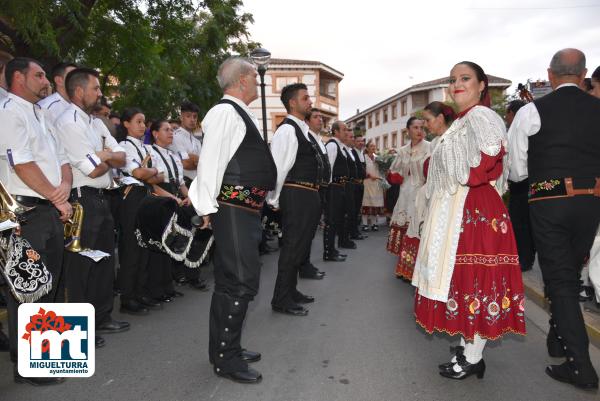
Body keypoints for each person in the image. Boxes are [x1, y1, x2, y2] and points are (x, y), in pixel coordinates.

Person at [412, 61, 526, 380]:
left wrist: (458, 181)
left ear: (481, 86)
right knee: (462, 279)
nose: (457, 84)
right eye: (453, 80)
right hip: (461, 206)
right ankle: (468, 347)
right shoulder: (461, 122)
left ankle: (474, 355)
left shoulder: (481, 116)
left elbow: (486, 161)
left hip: (474, 207)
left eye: (465, 78)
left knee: (473, 279)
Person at [508, 49, 600, 389]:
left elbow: (517, 170)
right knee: (570, 273)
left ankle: (581, 367)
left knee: (560, 280)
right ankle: (557, 340)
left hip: (549, 200)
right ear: (584, 74)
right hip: (592, 201)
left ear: (550, 75)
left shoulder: (532, 110)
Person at [188, 57, 276, 383]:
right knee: (239, 280)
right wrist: (205, 207)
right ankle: (226, 357)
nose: (258, 82)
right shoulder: (226, 112)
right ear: (240, 81)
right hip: (233, 209)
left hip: (243, 209)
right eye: (255, 76)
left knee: (230, 280)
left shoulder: (237, 113)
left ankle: (226, 348)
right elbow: (210, 163)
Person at [0, 57, 73, 386]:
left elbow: (63, 161)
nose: (46, 81)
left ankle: (49, 357)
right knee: (29, 290)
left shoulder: (41, 114)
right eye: (39, 75)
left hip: (49, 208)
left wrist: (64, 191)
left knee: (52, 286)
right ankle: (27, 366)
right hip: (25, 213)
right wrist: (56, 196)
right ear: (19, 77)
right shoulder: (10, 112)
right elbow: (21, 164)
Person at [54, 68, 130, 347]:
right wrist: (107, 158)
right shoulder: (68, 122)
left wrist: (105, 155)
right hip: (82, 199)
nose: (100, 93)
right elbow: (94, 170)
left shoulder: (97, 123)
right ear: (79, 92)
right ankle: (78, 330)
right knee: (81, 265)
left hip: (102, 199)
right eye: (96, 88)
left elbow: (122, 157)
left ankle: (102, 317)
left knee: (104, 260)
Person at [268, 83, 322, 317]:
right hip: (296, 194)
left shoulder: (302, 129)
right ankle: (281, 298)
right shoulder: (287, 130)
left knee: (301, 247)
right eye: (305, 98)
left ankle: (291, 291)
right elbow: (278, 168)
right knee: (292, 247)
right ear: (292, 103)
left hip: (308, 194)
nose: (310, 101)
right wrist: (275, 199)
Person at [395, 102, 455, 281]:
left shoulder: (442, 142)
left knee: (427, 235)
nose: (424, 127)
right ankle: (415, 272)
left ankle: (433, 278)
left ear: (441, 118)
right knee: (416, 231)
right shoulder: (436, 141)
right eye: (417, 126)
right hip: (417, 193)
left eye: (426, 122)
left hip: (436, 195)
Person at [116, 108, 164, 315]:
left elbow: (160, 176)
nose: (143, 126)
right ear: (126, 124)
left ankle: (140, 292)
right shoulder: (123, 146)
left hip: (145, 194)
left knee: (145, 245)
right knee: (131, 248)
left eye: (144, 122)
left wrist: (149, 173)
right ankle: (127, 297)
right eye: (138, 122)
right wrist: (149, 173)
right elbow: (138, 172)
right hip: (131, 197)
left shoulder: (146, 148)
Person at [387, 118, 430, 258]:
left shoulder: (429, 147)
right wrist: (395, 175)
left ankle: (418, 263)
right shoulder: (402, 151)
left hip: (423, 194)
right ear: (408, 130)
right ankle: (405, 262)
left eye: (421, 127)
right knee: (405, 224)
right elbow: (394, 171)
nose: (419, 131)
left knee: (419, 227)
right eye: (416, 127)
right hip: (405, 193)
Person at [504, 99, 537, 273]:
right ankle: (524, 257)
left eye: (507, 114)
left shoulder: (518, 127)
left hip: (521, 181)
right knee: (524, 223)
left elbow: (517, 159)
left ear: (512, 113)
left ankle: (524, 260)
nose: (506, 118)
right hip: (527, 180)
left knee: (521, 223)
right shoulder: (523, 125)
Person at [298, 107, 330, 279]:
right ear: (307, 121)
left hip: (320, 189)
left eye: (321, 117)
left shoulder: (319, 139)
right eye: (316, 117)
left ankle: (306, 263)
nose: (320, 120)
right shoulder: (307, 137)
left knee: (310, 231)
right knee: (305, 232)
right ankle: (303, 266)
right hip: (308, 189)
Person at [324, 121, 350, 261]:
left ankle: (332, 249)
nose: (347, 132)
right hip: (333, 187)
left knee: (336, 219)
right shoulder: (332, 145)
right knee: (331, 220)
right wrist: (329, 190)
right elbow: (329, 168)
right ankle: (328, 252)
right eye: (344, 129)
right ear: (335, 132)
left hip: (339, 187)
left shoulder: (339, 146)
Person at [37, 61, 77, 125]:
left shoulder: (79, 107)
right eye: (73, 76)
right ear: (59, 80)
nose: (79, 80)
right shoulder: (45, 108)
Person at [361, 140, 385, 231]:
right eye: (371, 146)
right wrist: (369, 176)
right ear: (367, 148)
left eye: (374, 146)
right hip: (367, 182)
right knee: (366, 203)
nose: (373, 148)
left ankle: (374, 223)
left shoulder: (378, 158)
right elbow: (362, 170)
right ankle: (365, 224)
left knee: (375, 204)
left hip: (376, 183)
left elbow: (382, 170)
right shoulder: (364, 157)